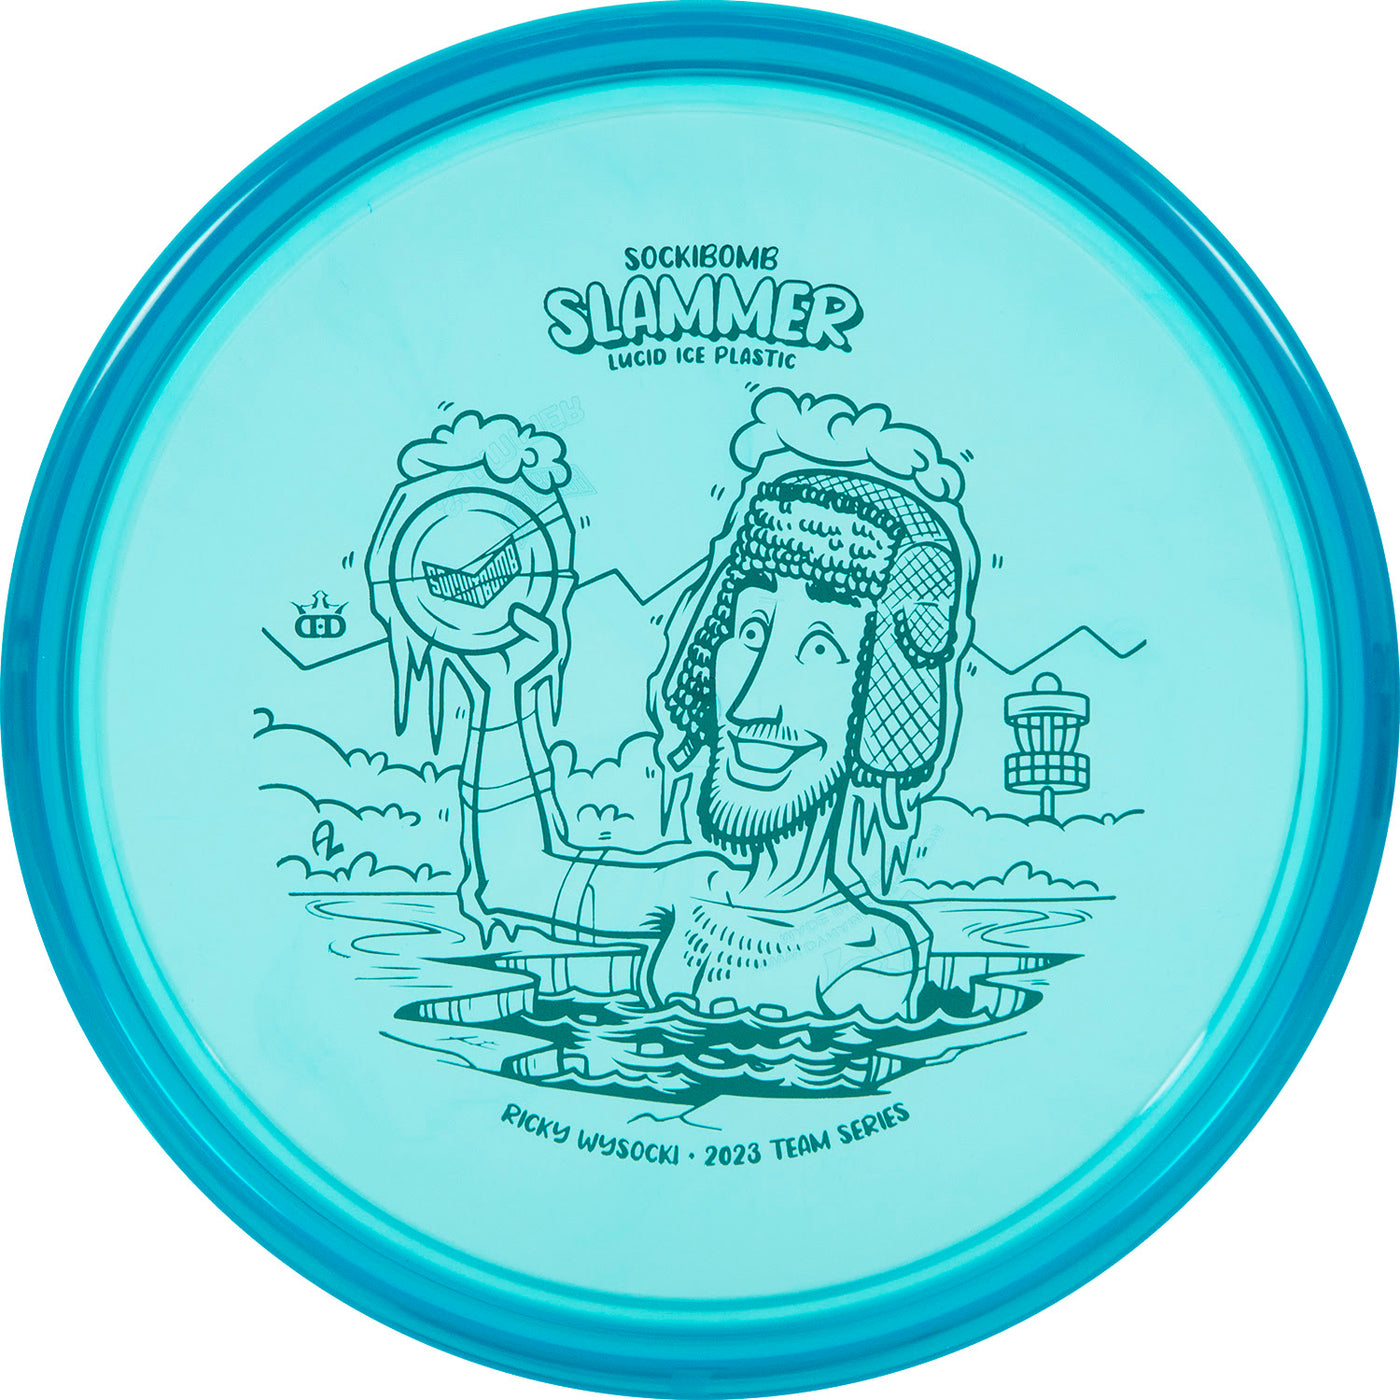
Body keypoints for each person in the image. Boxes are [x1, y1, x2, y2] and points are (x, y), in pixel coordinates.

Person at [458, 390, 977, 1022]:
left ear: (881, 698)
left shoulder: (869, 952)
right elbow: (518, 883)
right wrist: (504, 695)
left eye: (819, 648)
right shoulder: (688, 889)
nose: (752, 701)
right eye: (752, 631)